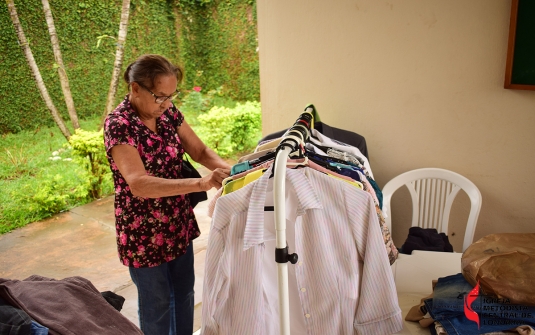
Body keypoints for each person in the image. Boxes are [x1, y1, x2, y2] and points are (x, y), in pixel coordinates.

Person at [103, 54, 231, 335]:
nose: (167, 104)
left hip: (176, 221)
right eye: (160, 96)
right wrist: (201, 184)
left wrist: (234, 171)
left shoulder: (167, 113)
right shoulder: (119, 124)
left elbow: (200, 151)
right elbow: (138, 183)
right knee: (157, 302)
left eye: (171, 96)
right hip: (142, 230)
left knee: (184, 293)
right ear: (135, 88)